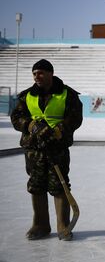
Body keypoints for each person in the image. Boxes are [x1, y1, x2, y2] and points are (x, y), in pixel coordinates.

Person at [11, 59, 83, 241]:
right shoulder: (26, 96)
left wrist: (59, 130)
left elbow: (75, 117)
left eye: (41, 73)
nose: (37, 77)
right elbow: (16, 117)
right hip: (34, 149)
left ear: (51, 73)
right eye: (34, 73)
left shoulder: (67, 94)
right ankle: (40, 225)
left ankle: (63, 226)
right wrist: (30, 125)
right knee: (36, 185)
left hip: (56, 148)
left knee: (59, 185)